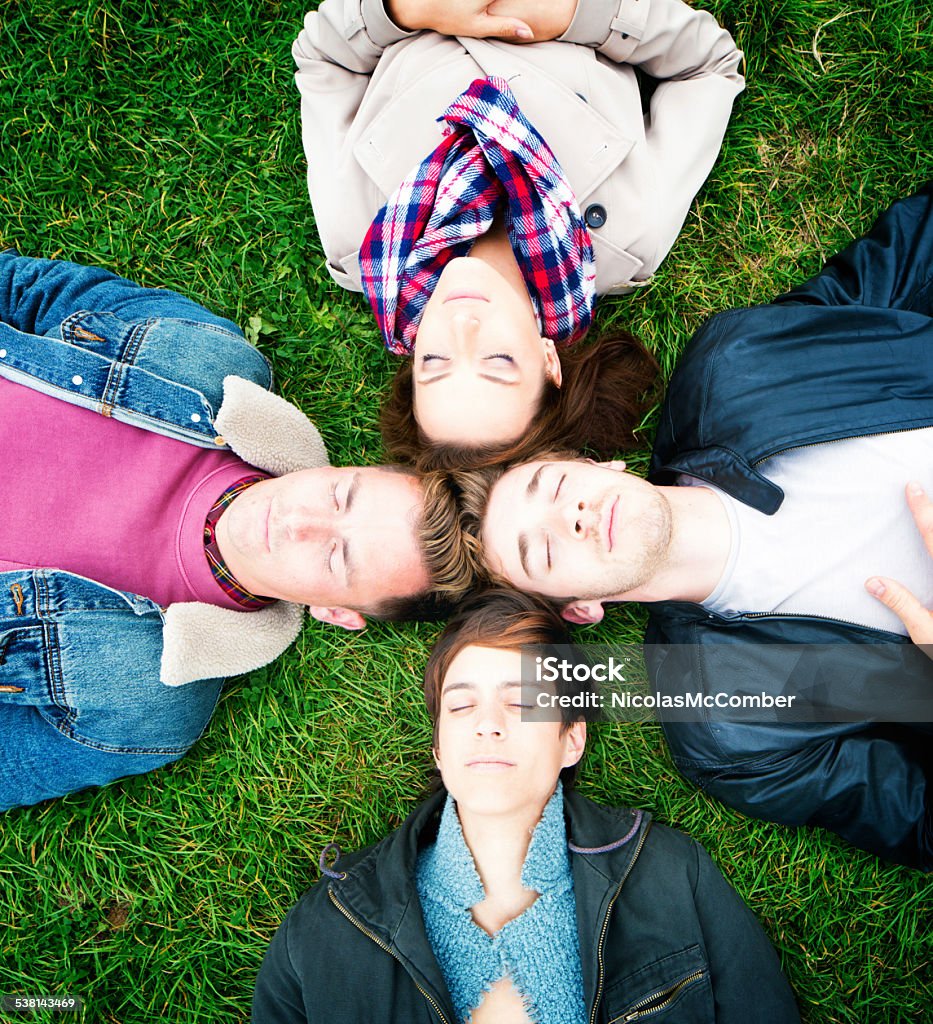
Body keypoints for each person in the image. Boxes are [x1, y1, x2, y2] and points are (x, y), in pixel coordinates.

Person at [455, 184, 933, 870]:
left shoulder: (734, 369)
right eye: (545, 549)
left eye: (554, 486)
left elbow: (906, 256)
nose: (575, 516)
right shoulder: (731, 730)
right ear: (581, 609)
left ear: (604, 466)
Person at [0, 251, 469, 812]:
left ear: (339, 613)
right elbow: (28, 290)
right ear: (347, 469)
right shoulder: (207, 363)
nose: (300, 522)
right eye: (339, 496)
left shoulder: (151, 700)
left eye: (337, 558)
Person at [252, 590, 799, 1023]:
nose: (489, 723)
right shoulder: (323, 930)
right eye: (462, 704)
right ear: (439, 750)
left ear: (572, 740)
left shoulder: (674, 875)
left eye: (522, 702)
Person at [292, 0, 744, 467]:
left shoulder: (361, 238)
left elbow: (322, 58)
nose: (462, 328)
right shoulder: (630, 233)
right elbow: (708, 67)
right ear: (549, 362)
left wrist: (405, 11)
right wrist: (575, 15)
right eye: (498, 362)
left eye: (433, 364)